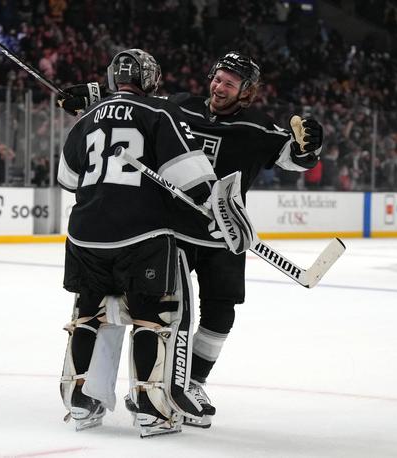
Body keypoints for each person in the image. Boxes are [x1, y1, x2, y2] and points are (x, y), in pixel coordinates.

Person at [57, 51, 324, 429]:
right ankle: (158, 391)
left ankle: (191, 382)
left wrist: (308, 146)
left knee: (220, 313)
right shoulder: (180, 106)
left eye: (230, 83)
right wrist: (89, 94)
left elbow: (292, 157)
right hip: (171, 230)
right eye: (217, 78)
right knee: (163, 312)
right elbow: (132, 105)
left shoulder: (259, 127)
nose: (219, 86)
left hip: (221, 234)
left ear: (246, 91)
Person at [58, 48, 219, 438]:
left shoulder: (85, 121)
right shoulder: (159, 113)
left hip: (86, 236)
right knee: (152, 316)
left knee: (89, 315)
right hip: (141, 234)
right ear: (150, 81)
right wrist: (215, 208)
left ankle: (81, 401)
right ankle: (151, 408)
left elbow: (67, 178)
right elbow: (195, 181)